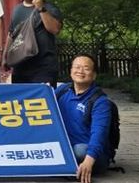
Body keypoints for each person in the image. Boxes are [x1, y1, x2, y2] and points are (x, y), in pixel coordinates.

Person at [56, 54, 111, 183]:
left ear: (94, 75)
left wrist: (89, 161)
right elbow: (43, 101)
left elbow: (99, 133)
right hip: (67, 148)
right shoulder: (62, 91)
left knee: (80, 150)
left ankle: (76, 167)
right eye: (77, 67)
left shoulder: (100, 101)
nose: (80, 71)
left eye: (86, 68)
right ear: (71, 71)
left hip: (91, 153)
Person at [7, 0, 62, 87]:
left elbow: (55, 29)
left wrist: (41, 8)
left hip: (44, 67)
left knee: (43, 98)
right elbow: (11, 35)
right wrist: (5, 58)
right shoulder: (17, 10)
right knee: (21, 98)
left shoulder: (49, 7)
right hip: (20, 66)